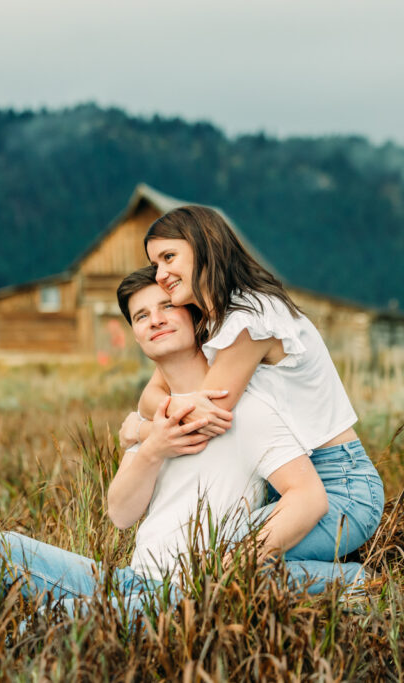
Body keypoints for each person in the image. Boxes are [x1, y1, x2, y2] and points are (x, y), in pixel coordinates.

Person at [0, 268, 366, 617]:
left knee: (47, 625)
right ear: (136, 335)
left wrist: (226, 570)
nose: (154, 320)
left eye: (165, 307)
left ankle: (345, 583)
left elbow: (306, 495)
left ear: (196, 317)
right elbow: (121, 514)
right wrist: (152, 447)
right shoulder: (152, 419)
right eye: (141, 316)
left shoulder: (242, 408)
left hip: (183, 593)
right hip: (132, 580)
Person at [120, 205, 384, 563]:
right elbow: (154, 393)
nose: (161, 274)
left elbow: (203, 417)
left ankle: (354, 585)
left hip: (340, 487)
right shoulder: (215, 321)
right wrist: (148, 419)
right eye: (156, 265)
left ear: (205, 247)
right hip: (287, 486)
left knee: (214, 564)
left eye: (169, 258)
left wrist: (141, 431)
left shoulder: (250, 319)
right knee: (201, 559)